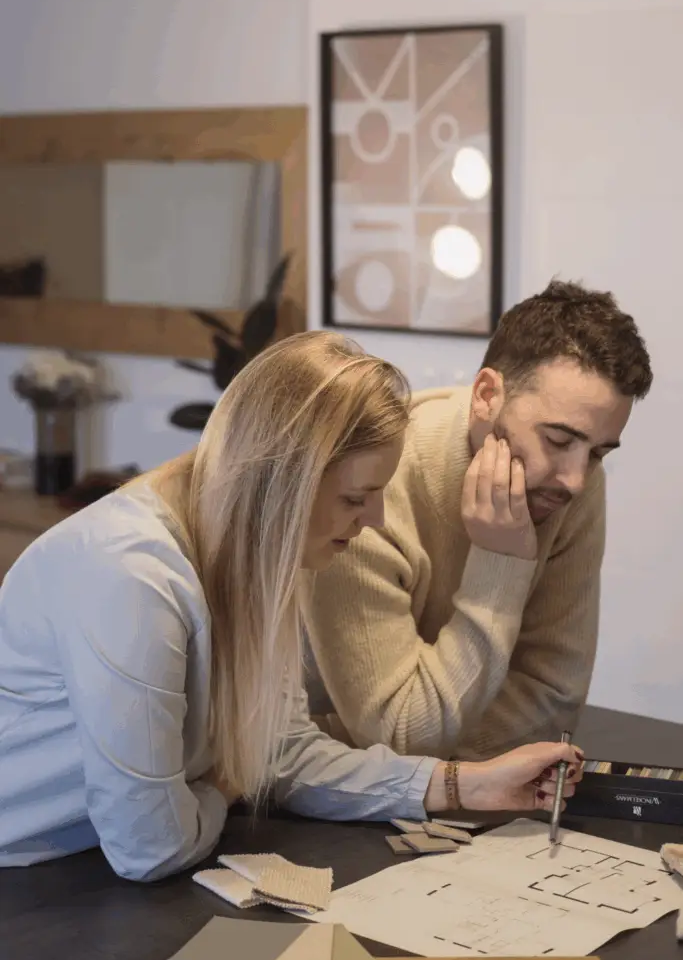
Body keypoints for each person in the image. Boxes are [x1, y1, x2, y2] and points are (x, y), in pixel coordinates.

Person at [0, 332, 583, 882]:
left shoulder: (253, 549)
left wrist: (469, 785)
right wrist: (225, 784)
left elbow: (285, 752)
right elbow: (151, 847)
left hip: (80, 869)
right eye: (356, 497)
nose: (375, 519)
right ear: (282, 485)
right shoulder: (130, 578)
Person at [303, 281, 653, 761]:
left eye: (598, 452)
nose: (574, 480)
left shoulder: (570, 483)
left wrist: (424, 747)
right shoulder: (369, 491)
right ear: (487, 394)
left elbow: (555, 695)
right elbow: (401, 734)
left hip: (443, 790)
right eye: (556, 440)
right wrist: (500, 564)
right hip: (302, 800)